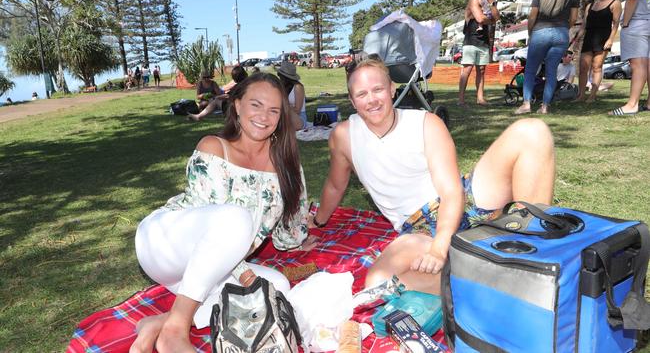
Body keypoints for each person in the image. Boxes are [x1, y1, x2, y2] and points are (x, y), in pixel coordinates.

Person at [310, 58, 555, 295]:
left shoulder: (426, 123)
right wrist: (318, 221)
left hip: (464, 199)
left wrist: (440, 247)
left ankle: (534, 253)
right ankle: (494, 275)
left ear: (392, 90)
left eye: (378, 89)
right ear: (352, 101)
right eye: (362, 94)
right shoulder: (344, 136)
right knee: (378, 283)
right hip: (418, 227)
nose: (371, 99)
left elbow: (451, 192)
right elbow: (335, 185)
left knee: (532, 131)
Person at [129, 73, 317, 353]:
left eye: (273, 110)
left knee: (276, 287)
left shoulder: (286, 163)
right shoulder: (214, 148)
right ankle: (175, 332)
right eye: (256, 105)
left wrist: (300, 238)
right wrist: (245, 276)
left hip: (203, 270)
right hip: (164, 245)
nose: (264, 116)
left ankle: (159, 322)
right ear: (237, 105)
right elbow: (220, 229)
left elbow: (288, 229)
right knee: (236, 220)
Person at [515, 0, 580, 115]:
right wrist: (564, 28)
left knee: (530, 70)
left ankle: (526, 104)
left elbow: (533, 15)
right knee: (551, 72)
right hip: (561, 34)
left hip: (540, 32)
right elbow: (573, 18)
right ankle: (545, 106)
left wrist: (530, 33)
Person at [574, 0, 622, 102]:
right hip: (589, 38)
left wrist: (610, 40)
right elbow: (583, 26)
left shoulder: (615, 3)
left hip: (603, 38)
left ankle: (592, 96)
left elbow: (615, 25)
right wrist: (576, 40)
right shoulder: (589, 6)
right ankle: (581, 95)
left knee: (597, 67)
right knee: (583, 67)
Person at [609, 0, 650, 115]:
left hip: (637, 22)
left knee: (638, 64)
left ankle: (632, 105)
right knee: (648, 64)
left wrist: (625, 22)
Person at [458, 0, 500, 106]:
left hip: (484, 41)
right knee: (467, 69)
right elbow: (480, 18)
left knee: (481, 70)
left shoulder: (489, 3)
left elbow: (496, 17)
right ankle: (461, 100)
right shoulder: (474, 0)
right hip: (471, 40)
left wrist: (493, 3)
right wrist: (490, 19)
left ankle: (480, 99)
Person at [277, 61, 308, 130]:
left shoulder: (298, 87)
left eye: (280, 76)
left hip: (298, 117)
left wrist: (285, 107)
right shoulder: (281, 87)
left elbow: (297, 110)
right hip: (284, 115)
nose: (279, 77)